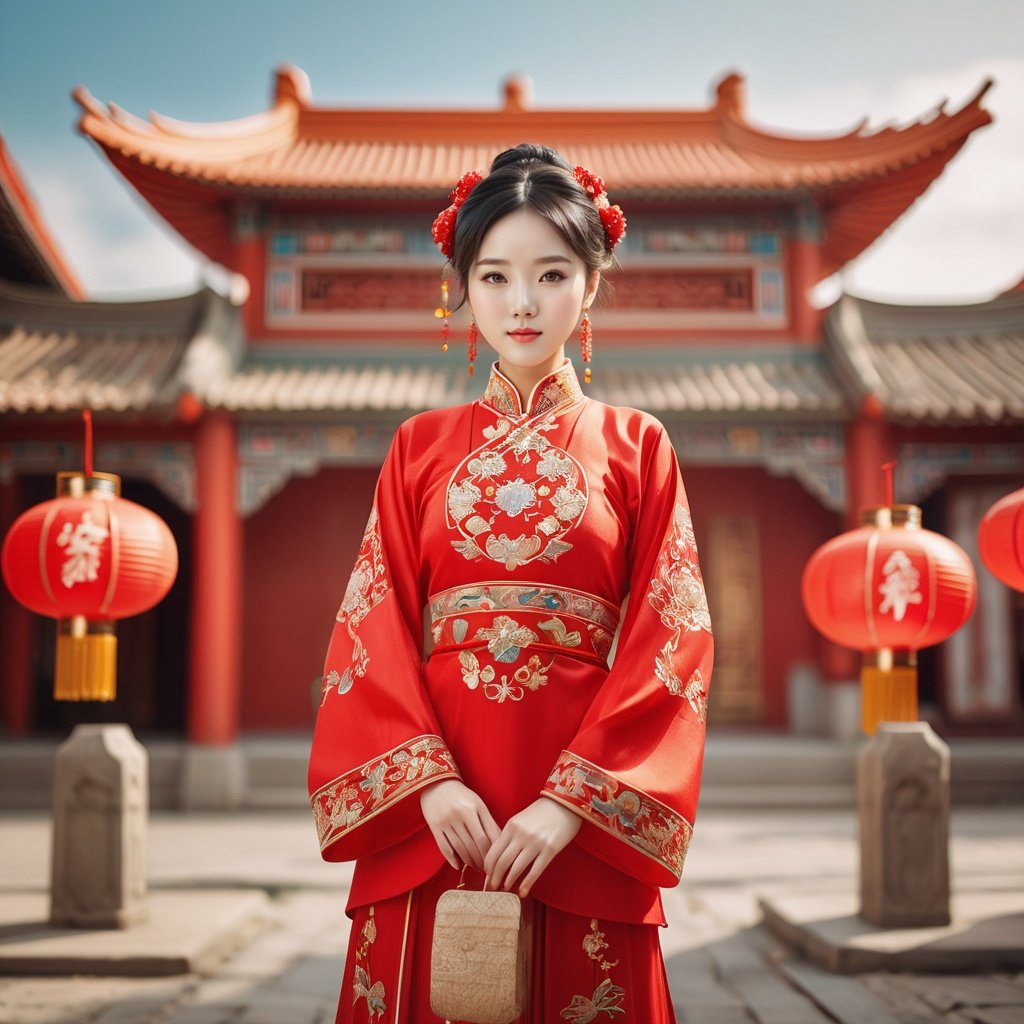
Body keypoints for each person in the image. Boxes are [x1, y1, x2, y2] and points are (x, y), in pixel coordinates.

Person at [308, 143, 714, 1023]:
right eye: (493, 276)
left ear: (591, 284)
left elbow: (669, 641)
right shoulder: (417, 446)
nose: (521, 303)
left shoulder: (641, 447)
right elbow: (369, 629)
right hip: (438, 811)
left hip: (578, 813)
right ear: (462, 289)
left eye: (550, 273)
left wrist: (573, 806)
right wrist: (427, 785)